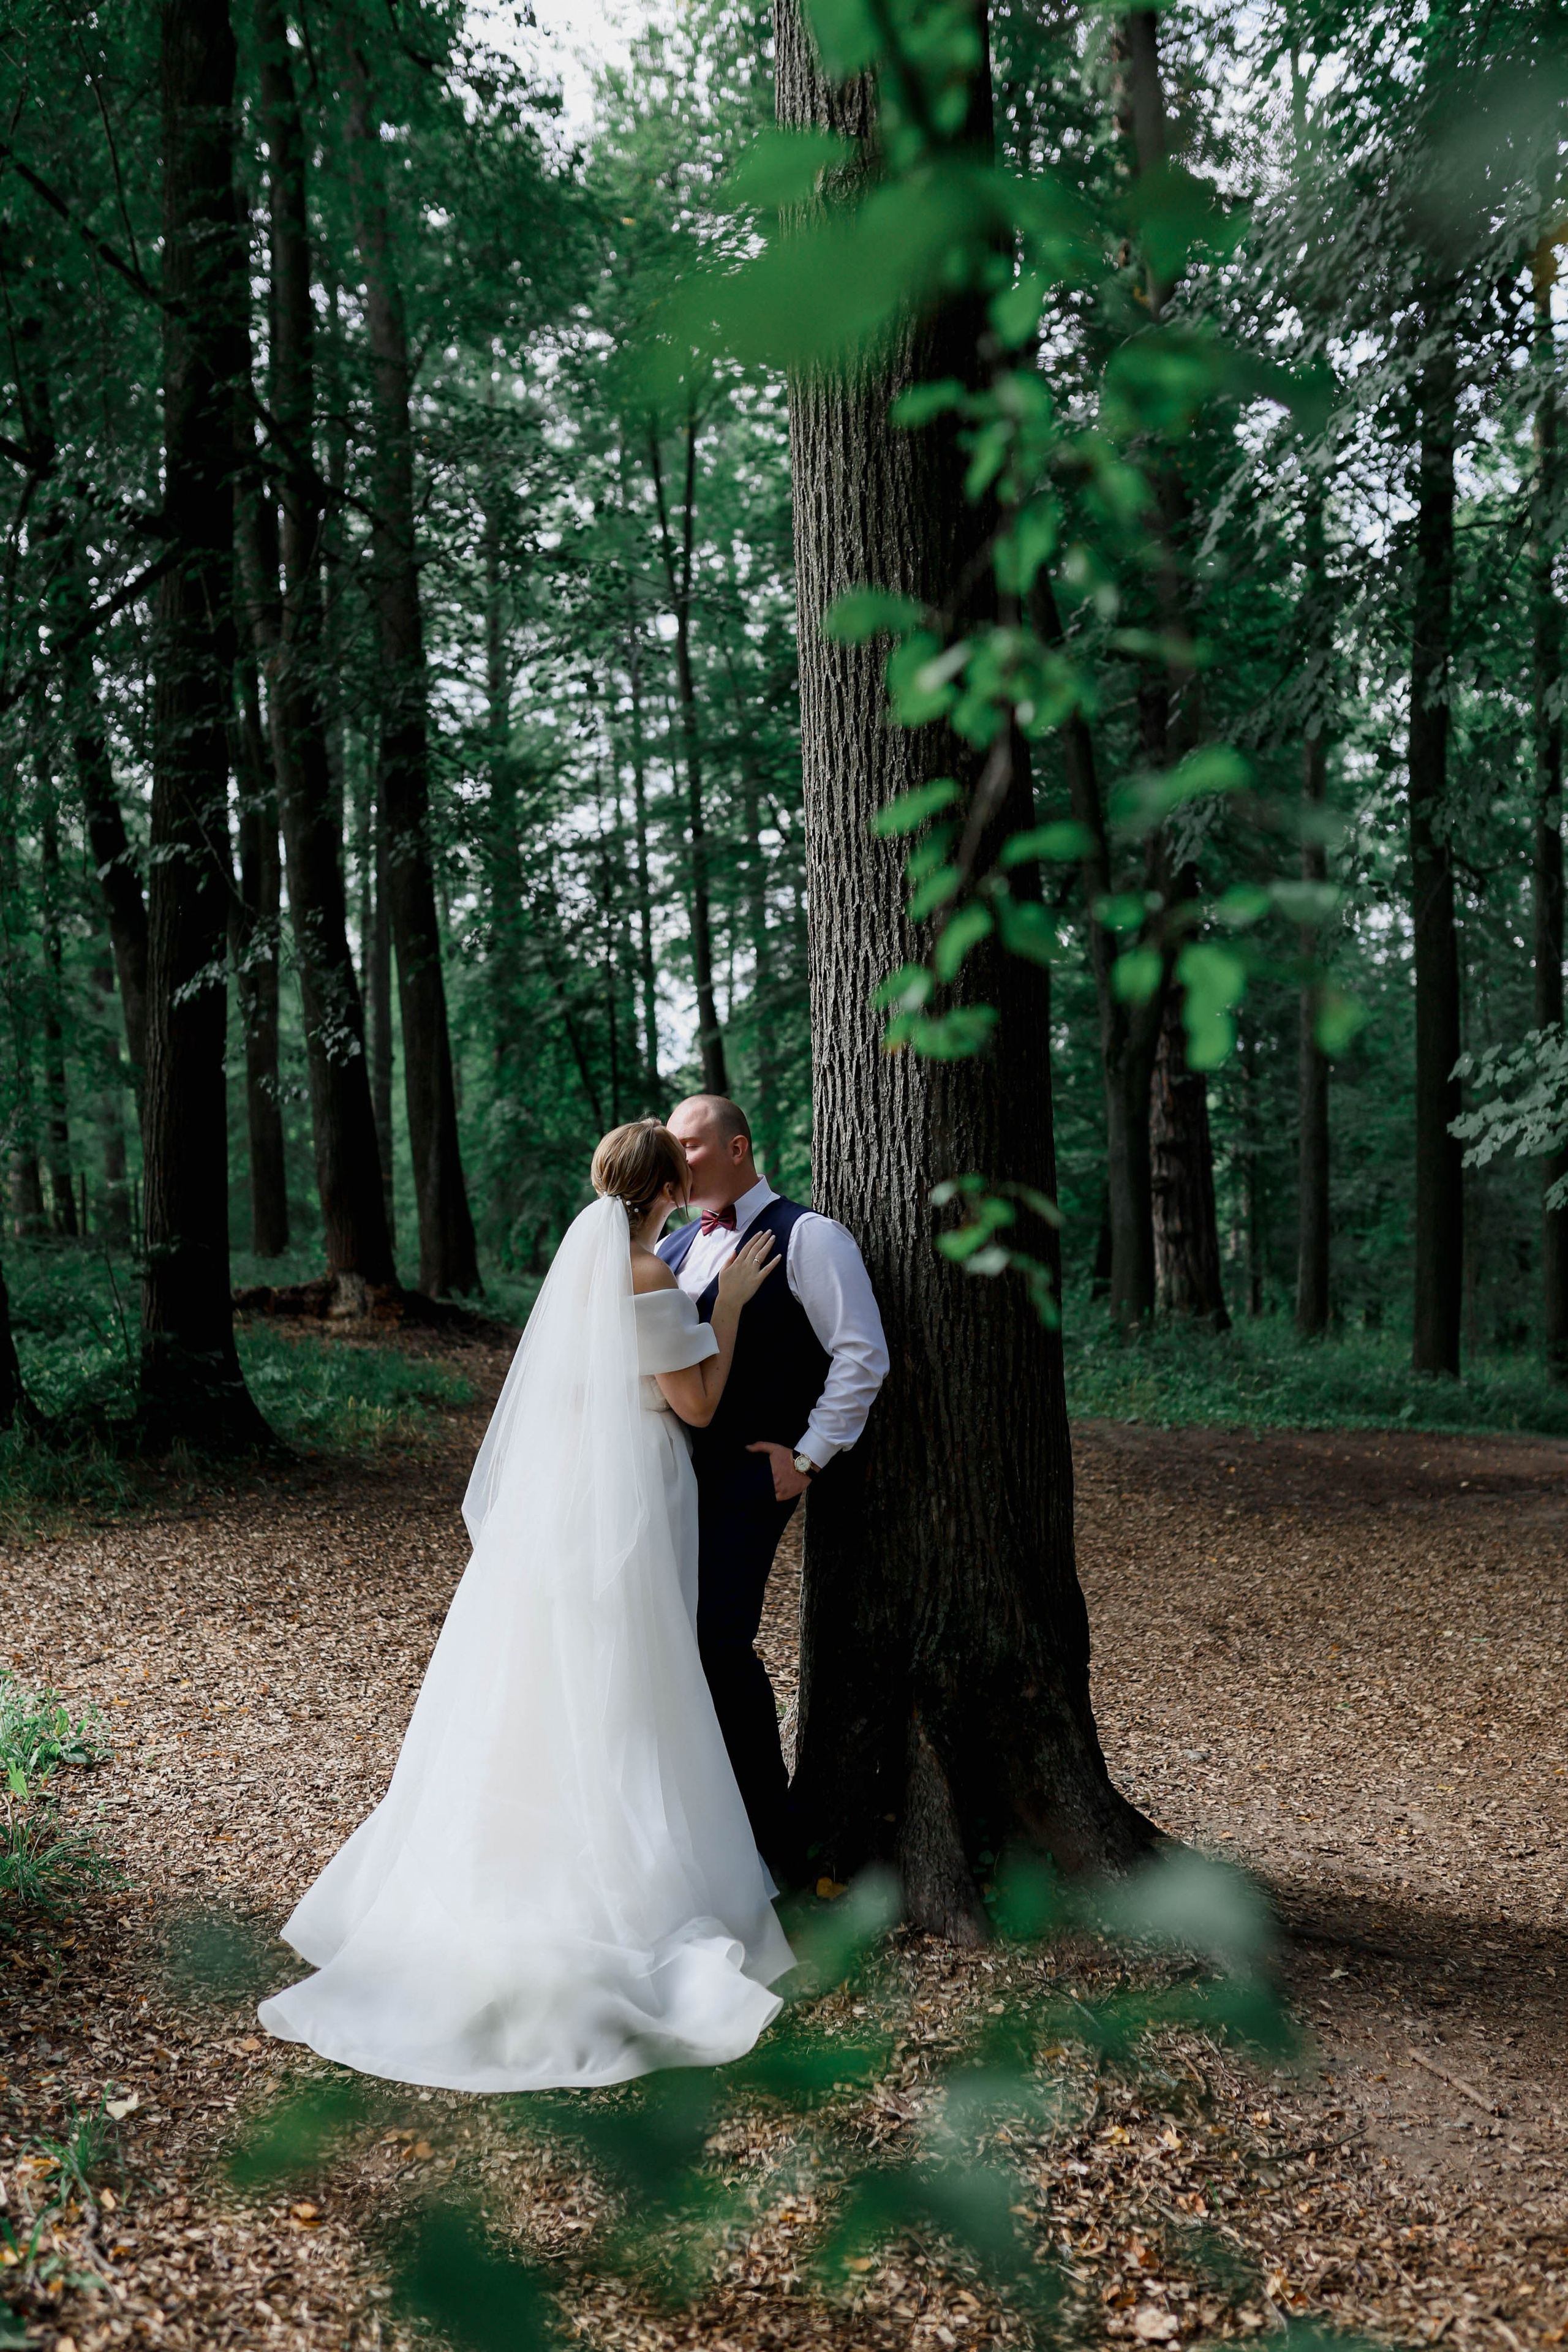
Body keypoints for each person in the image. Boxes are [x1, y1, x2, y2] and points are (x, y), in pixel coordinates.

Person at [257, 1121, 794, 2092]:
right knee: (634, 1666)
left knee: (554, 1666)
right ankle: (620, 1865)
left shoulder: (585, 1267)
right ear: (671, 1189)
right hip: (635, 1486)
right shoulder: (647, 1272)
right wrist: (732, 1306)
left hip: (568, 1489)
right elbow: (697, 1405)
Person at [660, 1095, 889, 1887]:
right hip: (668, 1480)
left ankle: (778, 1845)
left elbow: (862, 1355)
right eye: (670, 1146)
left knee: (716, 1646)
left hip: (748, 1481)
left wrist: (809, 1457)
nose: (678, 1160)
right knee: (667, 1647)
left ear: (737, 1148)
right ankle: (700, 1839)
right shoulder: (675, 1246)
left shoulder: (811, 1237)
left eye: (691, 1145)